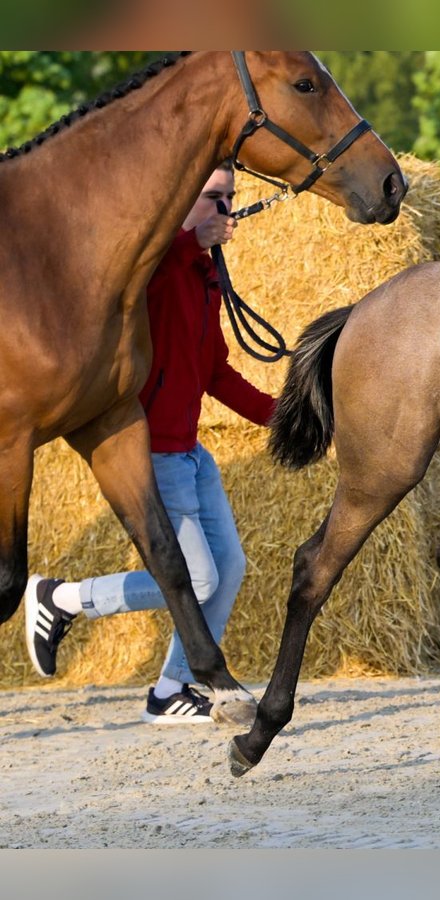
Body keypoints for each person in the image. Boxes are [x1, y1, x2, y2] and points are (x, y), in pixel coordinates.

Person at [24, 160, 274, 725]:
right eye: (213, 197)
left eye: (230, 198)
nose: (225, 211)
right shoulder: (151, 264)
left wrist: (283, 418)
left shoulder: (204, 276)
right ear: (180, 198)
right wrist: (192, 243)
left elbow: (216, 372)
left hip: (191, 453)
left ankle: (169, 692)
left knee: (227, 569)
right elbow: (152, 277)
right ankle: (65, 599)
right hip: (152, 452)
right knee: (198, 576)